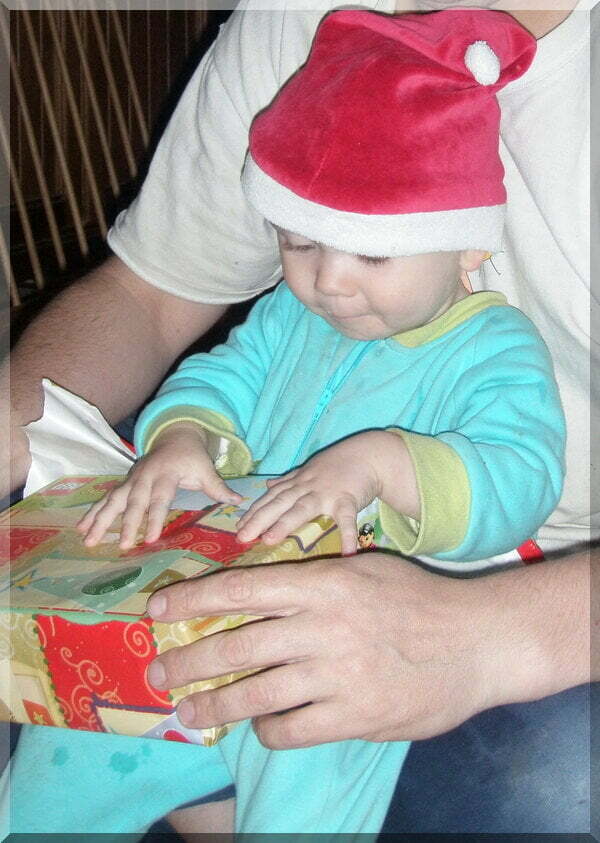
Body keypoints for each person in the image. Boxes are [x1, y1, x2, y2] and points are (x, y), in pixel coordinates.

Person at [1, 0, 595, 836]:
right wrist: (182, 434)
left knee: (314, 754)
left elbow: (519, 474)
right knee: (62, 754)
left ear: (467, 244)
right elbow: (220, 368)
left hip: (396, 606)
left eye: (373, 253)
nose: (330, 282)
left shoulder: (495, 349)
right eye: (302, 242)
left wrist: (386, 466)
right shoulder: (295, 311)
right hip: (220, 579)